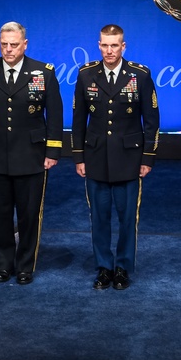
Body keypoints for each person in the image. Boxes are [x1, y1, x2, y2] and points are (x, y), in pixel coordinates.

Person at [0, 22, 63, 285]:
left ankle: (24, 266)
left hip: (32, 155)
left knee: (29, 215)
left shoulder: (43, 73)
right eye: (4, 44)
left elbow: (54, 115)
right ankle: (2, 264)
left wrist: (52, 151)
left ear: (25, 44)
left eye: (14, 44)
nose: (8, 50)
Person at [71, 24, 160, 291]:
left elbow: (152, 121)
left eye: (114, 45)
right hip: (95, 156)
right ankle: (103, 267)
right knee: (98, 217)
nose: (109, 51)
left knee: (126, 217)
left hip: (129, 159)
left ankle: (122, 267)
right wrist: (78, 157)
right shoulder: (86, 75)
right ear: (99, 46)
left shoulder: (140, 75)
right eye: (105, 45)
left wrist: (147, 158)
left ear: (124, 46)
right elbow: (78, 121)